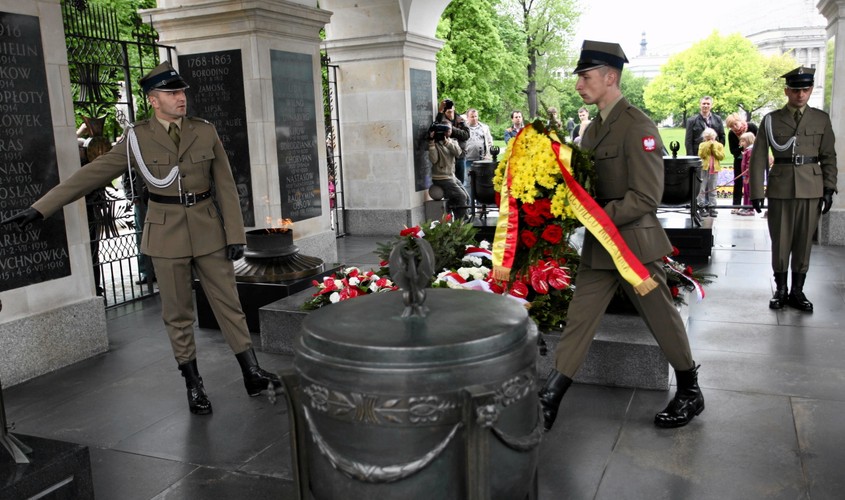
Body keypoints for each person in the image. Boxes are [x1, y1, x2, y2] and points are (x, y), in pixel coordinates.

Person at [1, 61, 283, 415]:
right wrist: (41, 208)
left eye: (181, 92)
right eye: (172, 93)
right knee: (177, 314)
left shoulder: (204, 131)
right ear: (153, 100)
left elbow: (226, 185)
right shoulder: (136, 138)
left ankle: (252, 373)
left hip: (209, 230)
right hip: (166, 236)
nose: (181, 99)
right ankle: (194, 385)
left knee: (230, 305)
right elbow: (91, 174)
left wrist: (235, 233)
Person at [538, 40, 704, 432]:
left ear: (610, 77)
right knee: (579, 318)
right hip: (601, 244)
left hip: (634, 245)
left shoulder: (637, 125)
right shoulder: (593, 128)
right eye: (579, 77)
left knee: (661, 316)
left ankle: (690, 389)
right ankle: (549, 399)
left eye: (586, 76)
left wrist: (594, 217)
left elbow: (647, 196)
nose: (579, 84)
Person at [749, 66, 837, 312]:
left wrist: (829, 188)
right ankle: (781, 289)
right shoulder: (771, 119)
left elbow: (829, 156)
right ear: (787, 91)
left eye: (805, 90)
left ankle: (797, 291)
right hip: (781, 187)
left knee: (803, 242)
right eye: (796, 90)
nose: (801, 95)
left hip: (811, 188)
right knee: (781, 240)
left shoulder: (821, 119)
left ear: (810, 90)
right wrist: (757, 191)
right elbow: (758, 158)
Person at [428, 119, 469, 220]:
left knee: (466, 197)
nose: (447, 132)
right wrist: (431, 144)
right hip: (441, 177)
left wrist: (447, 142)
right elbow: (434, 160)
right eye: (445, 130)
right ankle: (461, 223)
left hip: (451, 176)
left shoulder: (452, 141)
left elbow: (458, 153)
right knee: (461, 197)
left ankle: (454, 216)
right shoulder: (436, 143)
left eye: (449, 130)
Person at [725, 113, 759, 213]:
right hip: (740, 160)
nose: (734, 128)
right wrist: (743, 147)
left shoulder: (751, 127)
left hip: (753, 160)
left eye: (735, 124)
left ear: (740, 121)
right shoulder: (732, 134)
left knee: (752, 183)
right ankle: (736, 205)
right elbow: (733, 150)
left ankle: (752, 205)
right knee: (738, 182)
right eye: (731, 126)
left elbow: (760, 142)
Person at [435, 99, 469, 186]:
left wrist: (450, 128)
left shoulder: (460, 119)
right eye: (448, 112)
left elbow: (466, 135)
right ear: (444, 112)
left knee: (461, 183)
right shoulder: (441, 121)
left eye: (452, 111)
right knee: (449, 183)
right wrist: (440, 111)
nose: (451, 114)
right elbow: (436, 128)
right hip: (447, 157)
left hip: (460, 155)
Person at [697, 127, 726, 218]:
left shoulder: (719, 145)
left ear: (715, 137)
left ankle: (712, 207)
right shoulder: (702, 145)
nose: (710, 140)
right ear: (705, 138)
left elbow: (721, 157)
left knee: (712, 188)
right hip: (704, 169)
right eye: (708, 139)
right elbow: (701, 155)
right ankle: (701, 207)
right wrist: (707, 146)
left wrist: (714, 149)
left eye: (712, 138)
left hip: (714, 169)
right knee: (702, 188)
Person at [464, 108, 494, 190]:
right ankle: (470, 202)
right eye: (472, 116)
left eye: (475, 116)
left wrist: (488, 155)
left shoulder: (484, 128)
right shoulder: (463, 128)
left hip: (482, 160)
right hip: (468, 159)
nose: (474, 118)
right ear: (467, 117)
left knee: (482, 182)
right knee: (468, 181)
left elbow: (490, 142)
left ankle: (480, 201)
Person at [737, 131, 756, 216]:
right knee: (746, 192)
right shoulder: (747, 150)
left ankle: (750, 208)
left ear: (749, 141)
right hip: (745, 175)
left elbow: (749, 164)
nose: (741, 143)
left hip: (749, 176)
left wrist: (747, 175)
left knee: (749, 192)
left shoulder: (750, 151)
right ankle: (745, 207)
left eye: (743, 141)